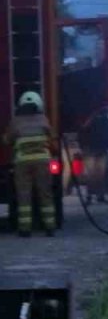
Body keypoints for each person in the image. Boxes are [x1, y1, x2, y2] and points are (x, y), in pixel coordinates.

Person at [4, 92, 56, 237]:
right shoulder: (44, 119)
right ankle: (50, 227)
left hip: (22, 163)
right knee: (45, 194)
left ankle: (25, 229)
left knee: (24, 195)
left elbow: (7, 140)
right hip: (42, 161)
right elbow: (52, 137)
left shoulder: (15, 122)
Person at [79, 108, 108, 204]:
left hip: (97, 147)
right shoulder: (94, 116)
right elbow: (83, 130)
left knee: (98, 173)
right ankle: (93, 196)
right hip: (92, 147)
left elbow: (107, 131)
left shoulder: (100, 115)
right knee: (94, 173)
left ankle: (96, 196)